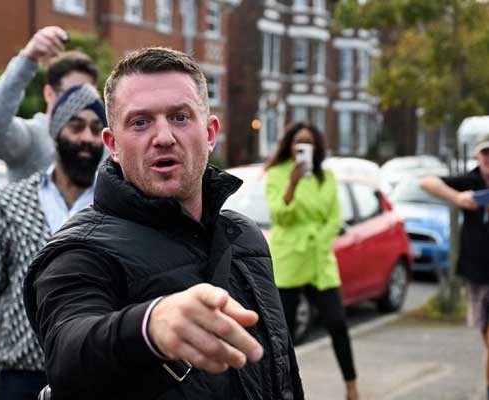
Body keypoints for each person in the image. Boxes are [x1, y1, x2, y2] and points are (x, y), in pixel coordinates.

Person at [23, 47, 304, 400]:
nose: (164, 137)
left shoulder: (244, 236)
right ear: (112, 144)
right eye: (140, 122)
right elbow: (69, 353)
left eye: (180, 117)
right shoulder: (79, 251)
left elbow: (281, 371)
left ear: (210, 132)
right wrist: (149, 326)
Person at [0, 83, 107, 400]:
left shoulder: (111, 204)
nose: (87, 138)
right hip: (23, 370)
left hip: (93, 368)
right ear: (56, 131)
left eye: (95, 129)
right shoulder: (13, 201)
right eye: (76, 127)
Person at [264, 121, 359, 400]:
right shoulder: (278, 174)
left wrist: (322, 240)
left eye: (308, 143)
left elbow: (334, 218)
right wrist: (292, 184)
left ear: (316, 148)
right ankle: (282, 391)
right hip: (290, 258)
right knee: (286, 335)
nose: (302, 147)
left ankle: (352, 386)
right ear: (289, 146)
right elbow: (279, 215)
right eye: (297, 142)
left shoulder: (325, 177)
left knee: (338, 323)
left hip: (319, 258)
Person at [420, 132, 489, 400]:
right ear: (478, 156)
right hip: (475, 274)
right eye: (486, 153)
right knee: (488, 344)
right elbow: (427, 182)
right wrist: (458, 198)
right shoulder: (471, 180)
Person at [0, 25, 98, 182]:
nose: (82, 104)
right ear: (49, 94)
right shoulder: (32, 138)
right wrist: (28, 58)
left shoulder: (99, 142)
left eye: (88, 95)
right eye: (72, 94)